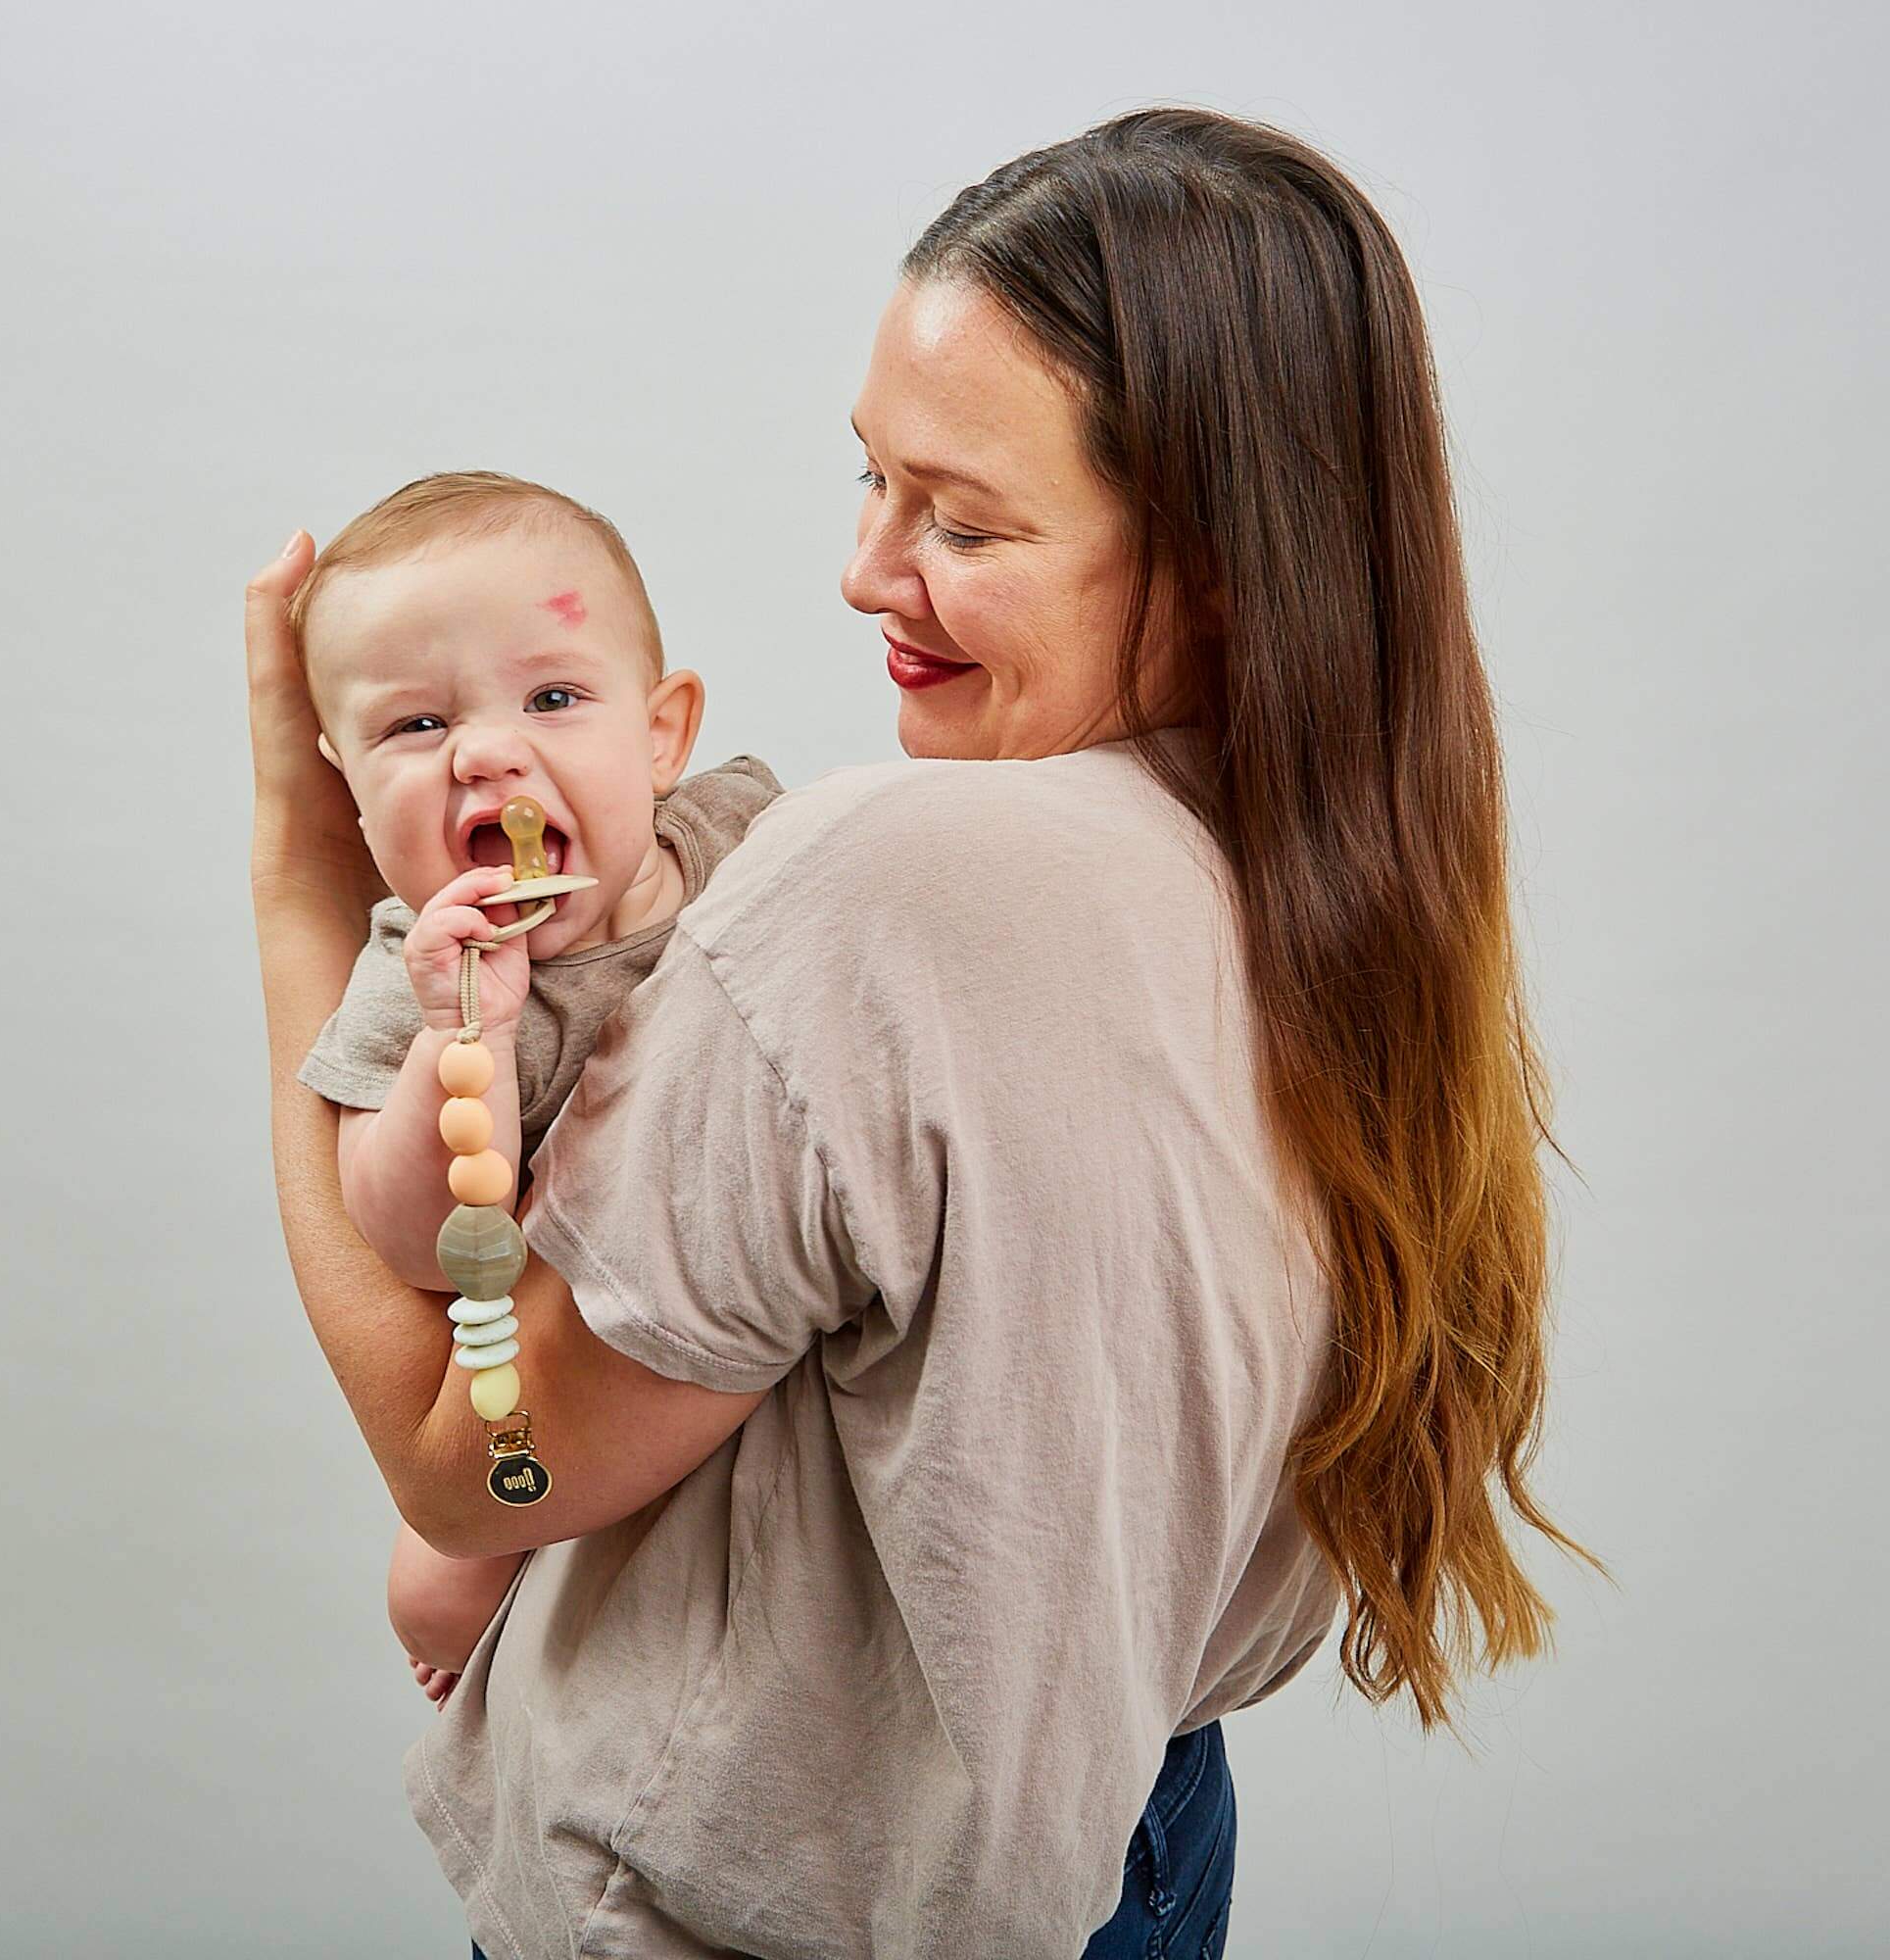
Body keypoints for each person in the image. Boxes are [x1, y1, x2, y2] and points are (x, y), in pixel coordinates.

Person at [245, 108, 1599, 1959]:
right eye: (872, 483)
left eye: (963, 520)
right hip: (1141, 1833)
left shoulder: (884, 880)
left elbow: (482, 1463)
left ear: (1212, 561)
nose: (870, 573)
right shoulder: (1331, 877)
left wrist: (299, 887)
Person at [282, 469, 783, 1711]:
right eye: (414, 727)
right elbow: (410, 1238)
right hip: (555, 1370)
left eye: (553, 697)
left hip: (742, 1314)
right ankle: (498, 1667)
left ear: (660, 734)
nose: (489, 752)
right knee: (435, 1587)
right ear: (344, 784)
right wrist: (473, 1038)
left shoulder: (743, 836)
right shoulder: (417, 977)